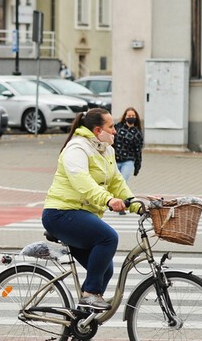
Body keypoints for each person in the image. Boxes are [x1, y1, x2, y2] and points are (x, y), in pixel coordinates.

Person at [41, 108, 138, 319]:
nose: (115, 131)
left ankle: (80, 322)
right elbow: (81, 181)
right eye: (111, 127)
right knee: (108, 238)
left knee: (105, 269)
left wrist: (136, 204)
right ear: (97, 130)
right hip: (60, 212)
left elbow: (117, 182)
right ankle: (90, 293)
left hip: (80, 214)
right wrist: (108, 200)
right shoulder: (77, 148)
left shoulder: (106, 151)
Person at [113, 107, 144, 182]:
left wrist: (137, 166)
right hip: (115, 159)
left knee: (123, 181)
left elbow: (138, 151)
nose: (131, 118)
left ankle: (122, 193)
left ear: (136, 118)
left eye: (133, 116)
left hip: (128, 160)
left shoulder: (137, 133)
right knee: (114, 181)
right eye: (129, 116)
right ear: (125, 117)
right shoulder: (118, 127)